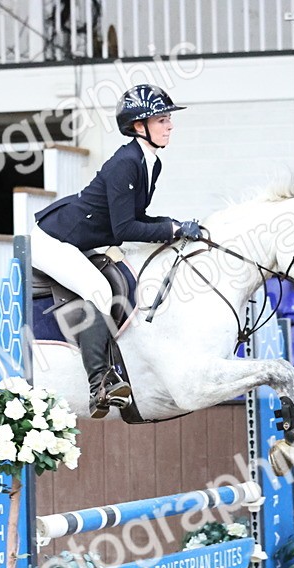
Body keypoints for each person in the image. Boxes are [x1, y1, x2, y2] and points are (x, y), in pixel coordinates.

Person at [32, 84, 202, 418]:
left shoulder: (149, 162)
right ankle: (100, 384)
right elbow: (125, 230)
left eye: (168, 119)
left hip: (77, 237)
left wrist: (175, 224)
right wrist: (172, 229)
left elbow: (135, 218)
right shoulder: (126, 163)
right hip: (52, 239)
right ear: (139, 126)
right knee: (99, 290)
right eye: (162, 119)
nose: (170, 125)